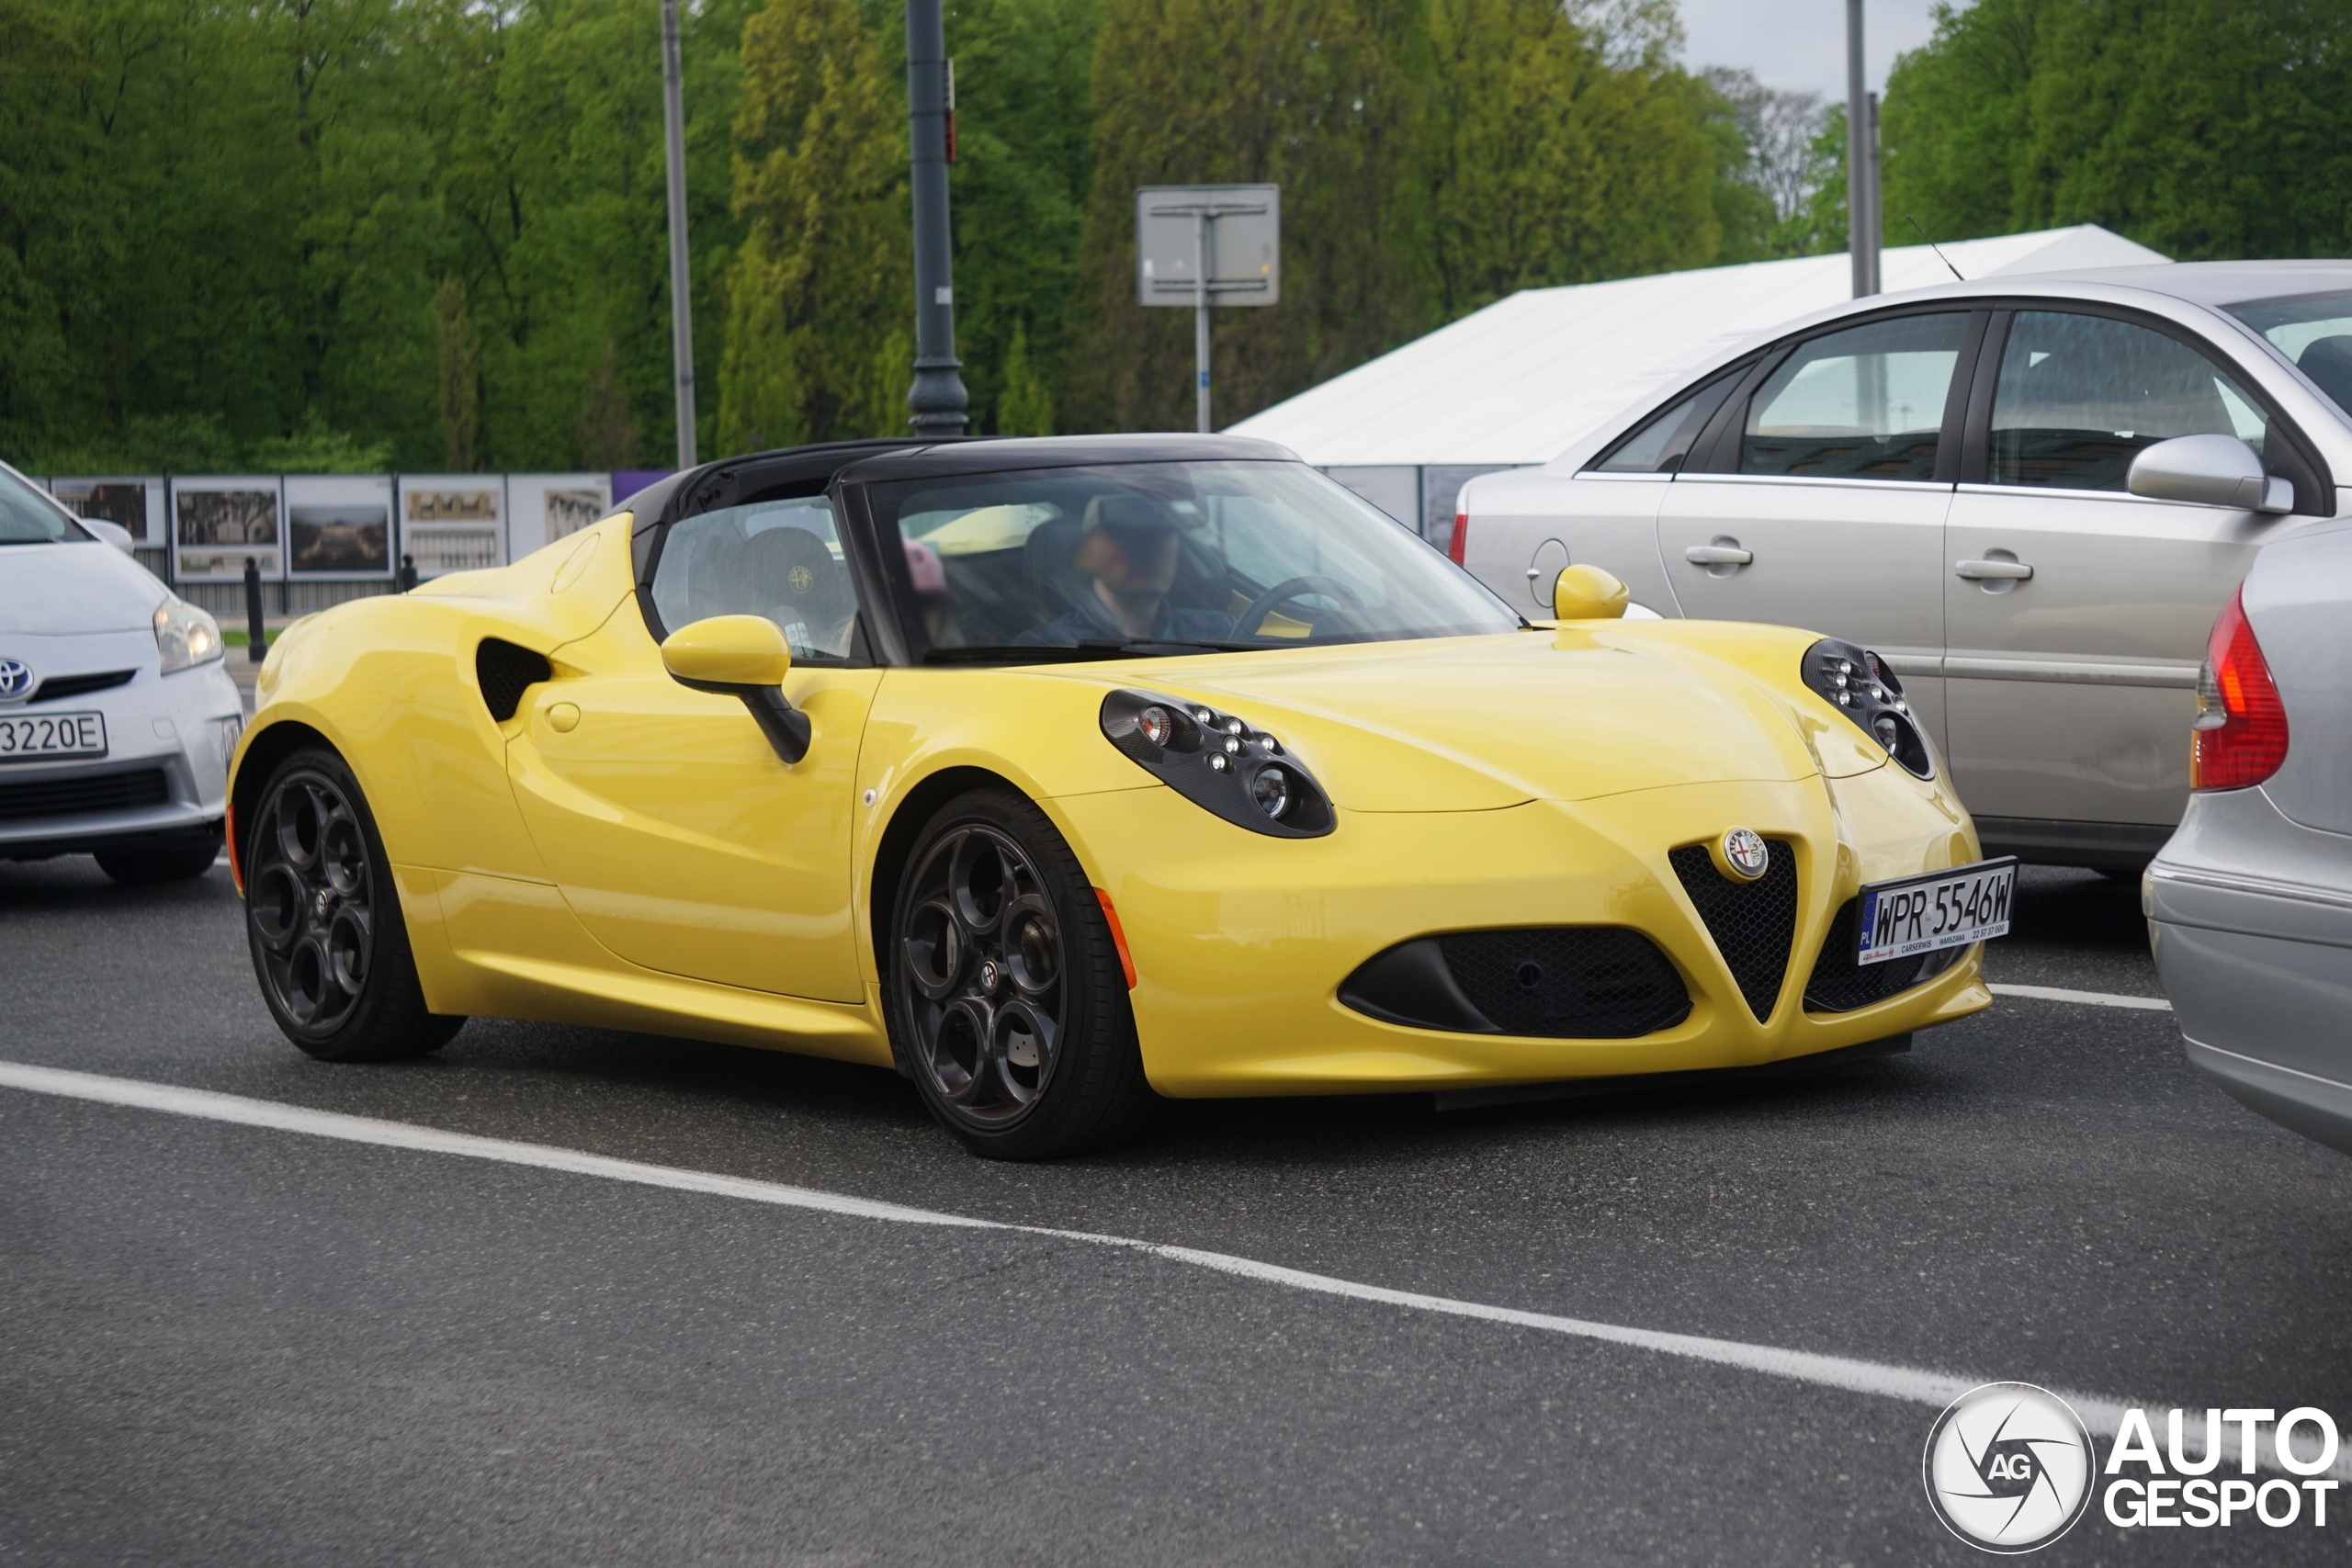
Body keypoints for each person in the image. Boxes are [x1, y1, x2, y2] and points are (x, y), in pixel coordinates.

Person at [1023, 492, 1237, 646]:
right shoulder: (1050, 649)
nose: (1146, 551)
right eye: (1127, 537)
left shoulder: (1222, 631)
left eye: (1158, 538)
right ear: (1090, 553)